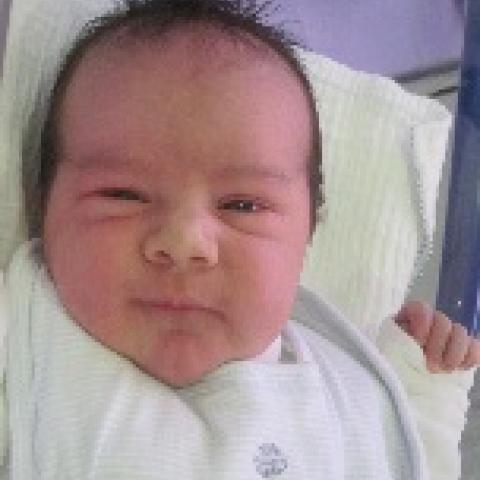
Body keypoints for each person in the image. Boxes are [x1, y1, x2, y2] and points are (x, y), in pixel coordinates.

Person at [1, 0, 479, 478]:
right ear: (44, 205)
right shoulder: (25, 347)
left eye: (243, 206)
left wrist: (423, 399)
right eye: (123, 195)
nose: (184, 242)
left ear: (309, 232)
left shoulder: (350, 400)